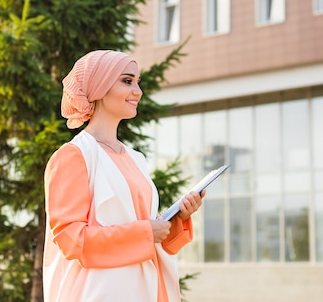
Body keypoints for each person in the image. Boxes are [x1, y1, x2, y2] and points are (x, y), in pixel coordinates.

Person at [43, 50, 204, 302]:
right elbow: (71, 240)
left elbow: (149, 236)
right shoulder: (73, 156)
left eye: (138, 82)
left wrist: (176, 220)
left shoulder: (135, 158)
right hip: (102, 293)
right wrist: (144, 233)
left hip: (149, 289)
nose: (138, 91)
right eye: (127, 81)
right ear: (99, 86)